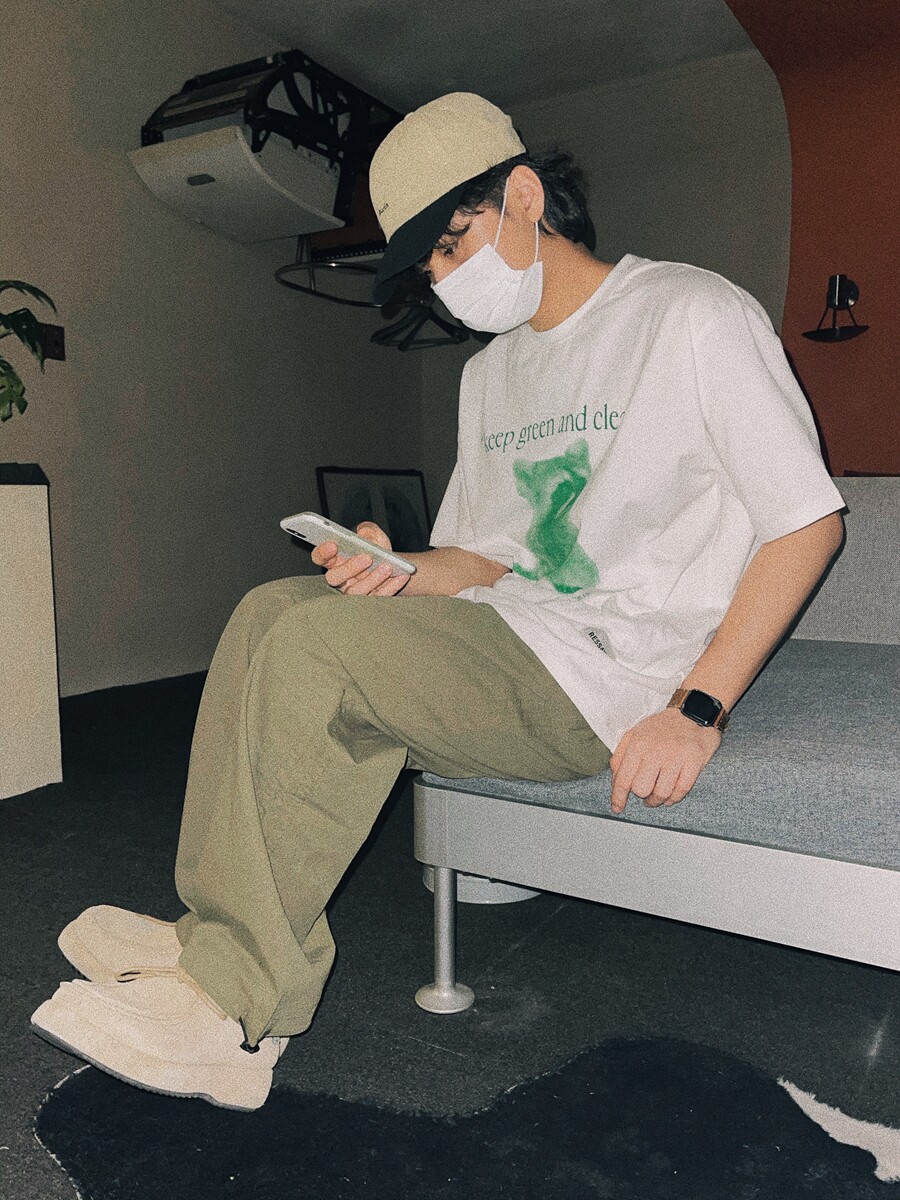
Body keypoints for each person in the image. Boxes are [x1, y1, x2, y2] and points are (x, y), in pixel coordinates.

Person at [31, 92, 845, 1111]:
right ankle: (214, 935)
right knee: (272, 611)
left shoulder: (690, 314)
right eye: (430, 268)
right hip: (514, 635)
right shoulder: (491, 374)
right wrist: (401, 567)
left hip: (614, 675)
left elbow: (806, 522)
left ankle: (232, 1009)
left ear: (524, 196)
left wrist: (697, 709)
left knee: (317, 654)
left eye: (453, 246)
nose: (446, 282)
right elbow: (485, 559)